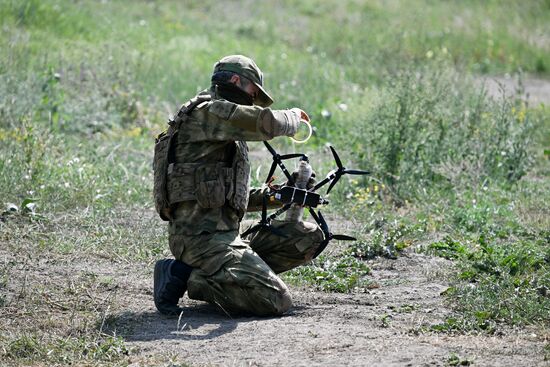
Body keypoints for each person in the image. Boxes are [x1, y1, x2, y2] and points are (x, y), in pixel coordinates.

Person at [153, 55, 324, 316]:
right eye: (253, 91)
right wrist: (292, 118)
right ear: (236, 81)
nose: (254, 98)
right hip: (200, 242)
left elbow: (233, 196)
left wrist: (281, 196)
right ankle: (185, 275)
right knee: (275, 300)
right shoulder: (207, 114)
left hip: (226, 236)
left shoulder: (223, 132)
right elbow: (265, 122)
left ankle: (234, 276)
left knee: (306, 237)